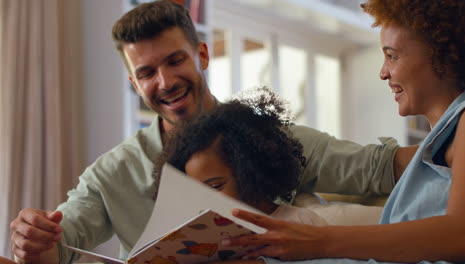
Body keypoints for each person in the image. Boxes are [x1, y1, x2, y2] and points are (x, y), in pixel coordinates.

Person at [9, 1, 414, 264]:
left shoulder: (267, 137)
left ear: (202, 55)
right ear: (134, 84)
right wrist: (35, 238)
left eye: (175, 61)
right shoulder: (111, 173)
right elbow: (60, 246)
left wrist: (455, 138)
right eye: (147, 73)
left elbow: (375, 167)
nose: (165, 82)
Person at [222, 0, 465, 263]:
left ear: (439, 53)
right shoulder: (442, 137)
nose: (383, 73)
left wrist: (319, 242)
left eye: (392, 56)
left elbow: (461, 234)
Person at [154, 88, 327, 226]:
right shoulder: (209, 237)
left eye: (215, 187)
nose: (204, 202)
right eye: (197, 193)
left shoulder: (303, 224)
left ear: (252, 172)